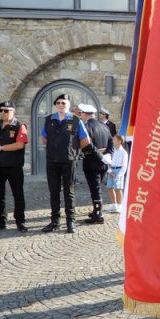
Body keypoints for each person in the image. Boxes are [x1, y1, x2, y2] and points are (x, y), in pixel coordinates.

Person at [40, 94, 100, 234]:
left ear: (68, 105)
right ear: (56, 105)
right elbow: (44, 138)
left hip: (69, 161)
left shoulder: (75, 120)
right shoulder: (49, 120)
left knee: (69, 192)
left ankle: (70, 222)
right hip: (52, 161)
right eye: (58, 103)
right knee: (54, 191)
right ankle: (55, 222)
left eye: (63, 103)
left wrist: (73, 150)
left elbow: (85, 141)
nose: (61, 105)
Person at [0, 100, 29, 232]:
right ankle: (1, 220)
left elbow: (19, 144)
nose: (3, 113)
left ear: (13, 111)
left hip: (14, 166)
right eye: (1, 110)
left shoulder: (20, 126)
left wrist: (0, 148)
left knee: (18, 194)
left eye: (7, 110)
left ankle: (20, 221)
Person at [78, 103, 113, 224]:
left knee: (95, 188)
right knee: (97, 187)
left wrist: (100, 155)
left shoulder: (86, 126)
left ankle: (98, 215)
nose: (80, 116)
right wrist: (108, 155)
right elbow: (110, 142)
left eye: (80, 113)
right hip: (103, 161)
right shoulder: (104, 126)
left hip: (92, 160)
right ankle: (96, 210)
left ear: (84, 114)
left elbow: (88, 145)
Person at [105, 135, 128, 213]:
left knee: (118, 189)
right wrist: (110, 171)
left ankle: (120, 205)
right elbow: (108, 161)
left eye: (114, 140)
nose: (113, 141)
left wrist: (119, 175)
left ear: (119, 141)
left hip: (119, 171)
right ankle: (114, 204)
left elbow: (124, 166)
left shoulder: (124, 153)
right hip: (111, 170)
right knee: (110, 187)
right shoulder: (113, 150)